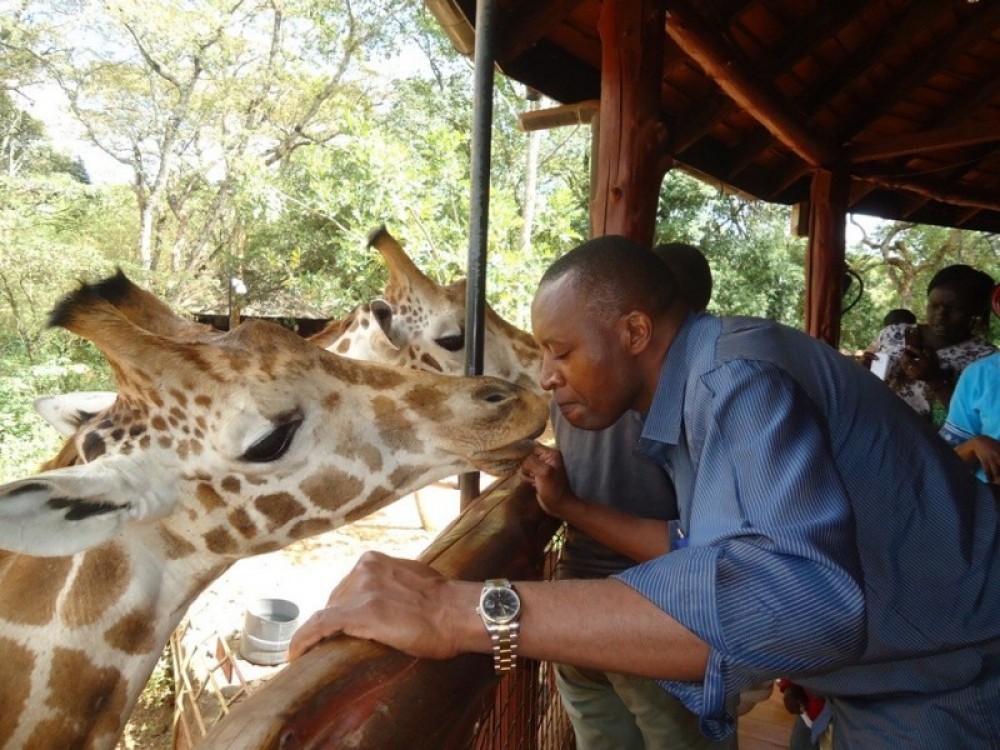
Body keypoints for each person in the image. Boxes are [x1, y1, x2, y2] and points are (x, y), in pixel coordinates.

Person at [290, 236, 1000, 747]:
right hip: (907, 680)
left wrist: (457, 611)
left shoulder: (734, 381)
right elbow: (702, 553)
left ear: (633, 330)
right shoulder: (707, 383)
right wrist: (571, 511)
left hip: (952, 687)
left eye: (561, 350)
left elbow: (802, 601)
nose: (545, 376)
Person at [532, 241, 733, 750]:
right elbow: (706, 549)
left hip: (576, 598)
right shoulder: (685, 398)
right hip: (654, 614)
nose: (548, 374)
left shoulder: (576, 387)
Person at [868, 264, 995, 424]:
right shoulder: (893, 333)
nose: (940, 315)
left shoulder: (985, 359)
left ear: (975, 311)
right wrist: (861, 369)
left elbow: (973, 423)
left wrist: (935, 380)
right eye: (934, 306)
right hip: (874, 426)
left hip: (930, 443)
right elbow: (869, 376)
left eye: (954, 308)